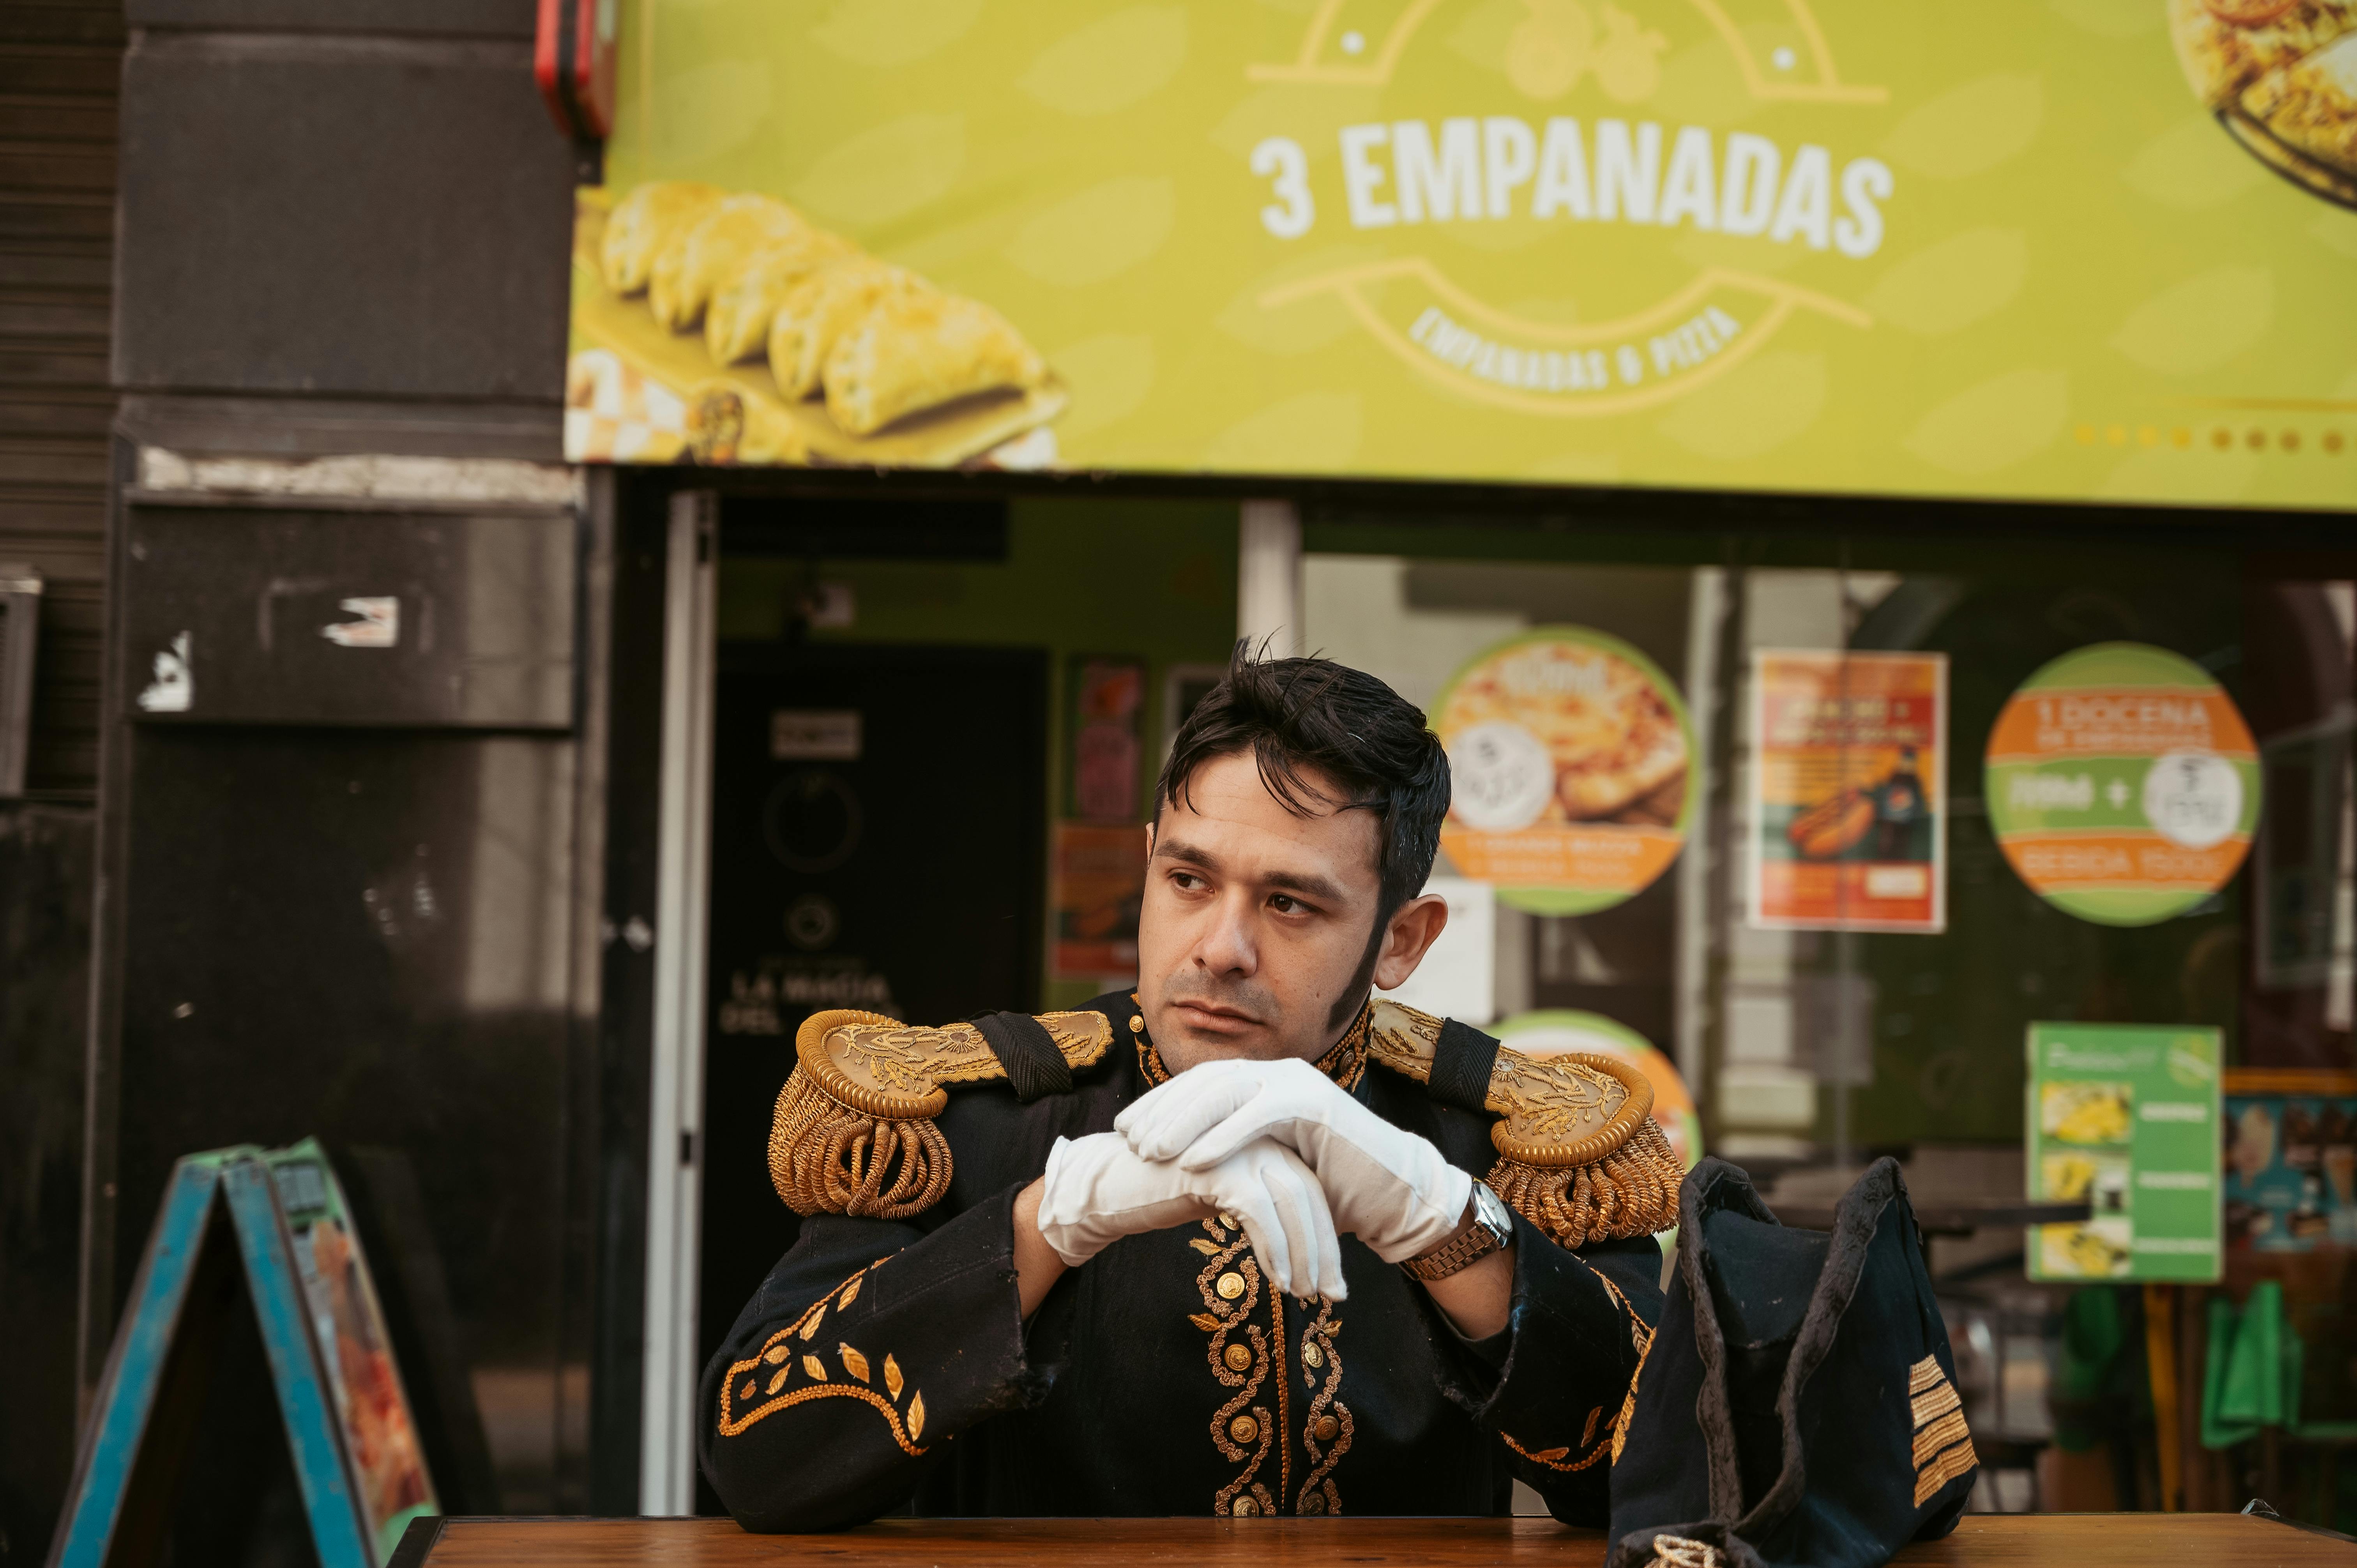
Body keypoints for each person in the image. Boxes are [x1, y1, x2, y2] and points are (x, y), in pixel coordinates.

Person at [700, 653, 1678, 1529]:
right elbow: (760, 1458)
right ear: (1147, 870)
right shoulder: (972, 1114)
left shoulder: (1515, 1142)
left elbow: (1679, 1479)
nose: (1221, 946)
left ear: (1401, 941)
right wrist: (1049, 1221)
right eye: (1189, 879)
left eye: (1290, 903)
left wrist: (1442, 1218)